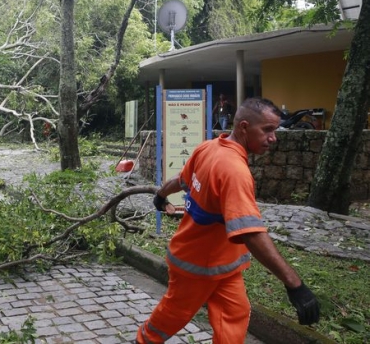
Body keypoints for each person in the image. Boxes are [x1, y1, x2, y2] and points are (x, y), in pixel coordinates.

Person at [136, 98, 320, 344]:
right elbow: (249, 232)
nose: (273, 138)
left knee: (235, 315)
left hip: (225, 265)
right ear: (244, 127)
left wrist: (161, 195)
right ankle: (143, 340)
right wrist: (294, 284)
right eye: (267, 130)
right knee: (175, 313)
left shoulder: (210, 147)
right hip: (197, 265)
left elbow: (181, 180)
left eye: (275, 129)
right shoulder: (234, 170)